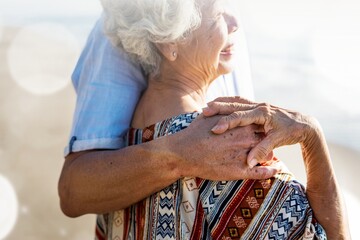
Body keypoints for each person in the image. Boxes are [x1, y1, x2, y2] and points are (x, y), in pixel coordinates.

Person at [58, 0, 350, 239]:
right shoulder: (227, 151)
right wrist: (311, 135)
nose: (236, 24)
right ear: (168, 41)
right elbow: (73, 191)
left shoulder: (134, 139)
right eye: (220, 15)